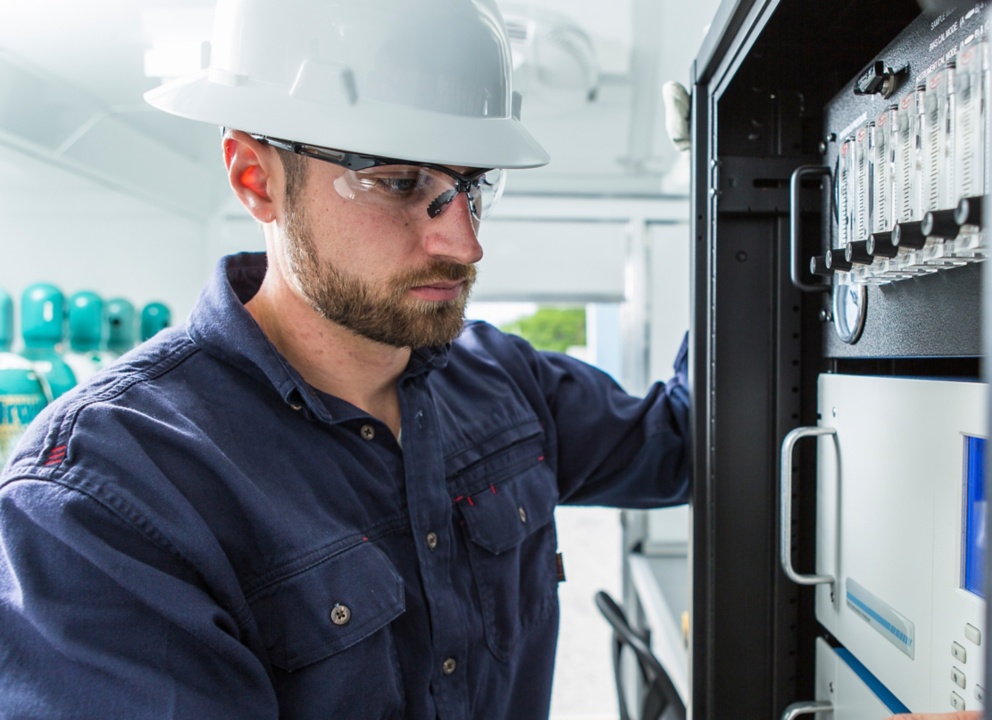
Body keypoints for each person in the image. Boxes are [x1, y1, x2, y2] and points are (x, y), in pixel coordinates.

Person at [0, 1, 689, 718]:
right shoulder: (107, 493)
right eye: (400, 182)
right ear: (256, 178)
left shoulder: (503, 382)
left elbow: (687, 442)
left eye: (473, 186)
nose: (465, 245)